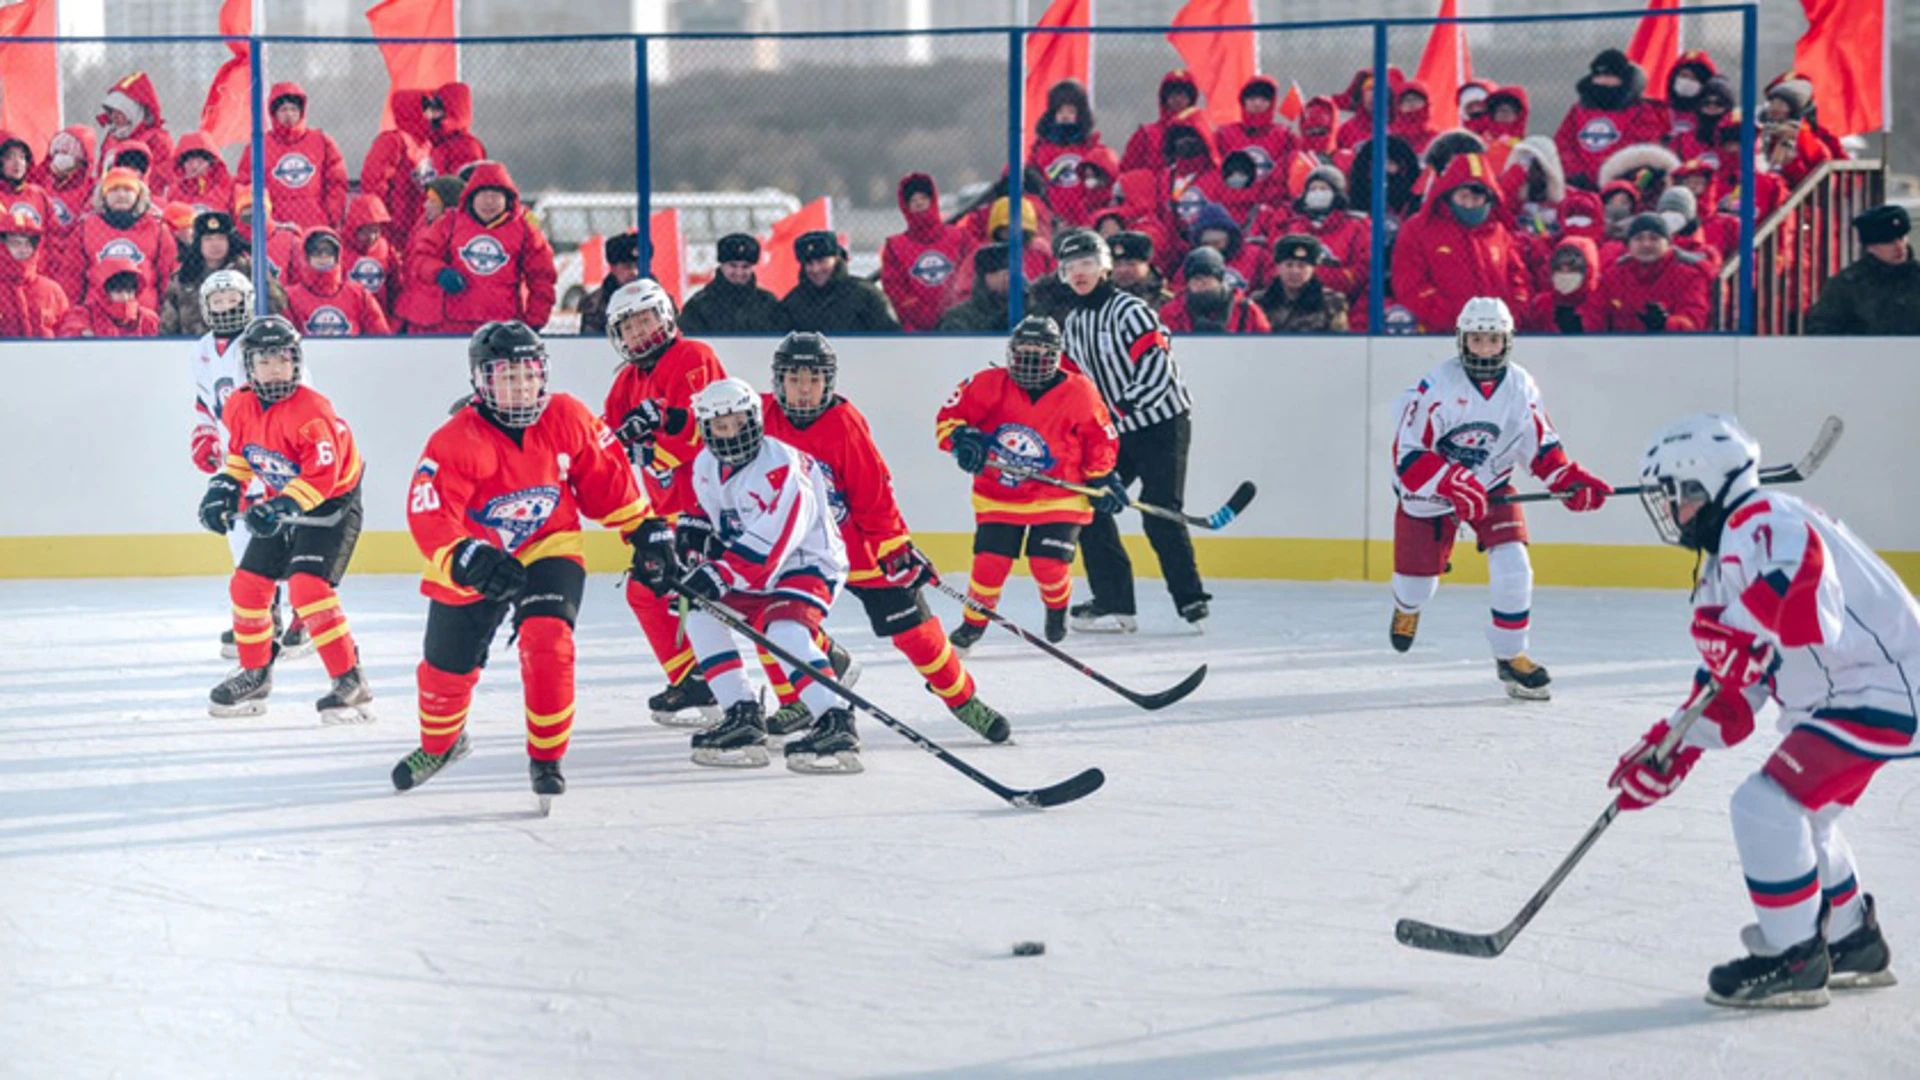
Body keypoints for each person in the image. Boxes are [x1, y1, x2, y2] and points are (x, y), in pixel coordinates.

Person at [1609, 413, 1910, 1008]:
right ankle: (1853, 940)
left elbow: (1800, 592)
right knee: (1809, 817)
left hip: (1878, 689)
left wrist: (1755, 633)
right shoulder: (1728, 554)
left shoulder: (1763, 519)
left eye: (1674, 496)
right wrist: (1672, 748)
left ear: (1704, 487)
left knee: (1764, 807)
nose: (1670, 512)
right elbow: (1734, 689)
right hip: (1845, 696)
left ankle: (1795, 958)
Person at [395, 321, 668, 802]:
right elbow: (429, 510)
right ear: (481, 381)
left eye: (528, 374)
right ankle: (440, 745)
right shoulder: (456, 438)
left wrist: (644, 528)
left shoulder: (567, 416)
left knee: (549, 641)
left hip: (549, 543)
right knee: (445, 673)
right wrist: (465, 555)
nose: (521, 387)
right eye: (506, 376)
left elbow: (608, 481)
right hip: (474, 554)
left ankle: (546, 757)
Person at [764, 331, 1013, 741]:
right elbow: (713, 429)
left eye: (814, 379)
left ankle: (963, 699)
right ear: (779, 382)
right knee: (770, 617)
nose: (805, 389)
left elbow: (874, 496)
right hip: (798, 553)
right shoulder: (760, 416)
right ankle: (798, 698)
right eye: (795, 379)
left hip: (858, 550)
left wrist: (894, 549)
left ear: (829, 381)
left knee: (916, 634)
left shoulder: (844, 424)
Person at [1388, 297, 1610, 699]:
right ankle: (1406, 608)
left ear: (1507, 340)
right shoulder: (1435, 387)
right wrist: (1449, 481)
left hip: (1492, 486)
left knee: (1515, 567)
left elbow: (1540, 446)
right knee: (1417, 587)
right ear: (1461, 340)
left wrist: (1567, 479)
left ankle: (1512, 657)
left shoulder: (1521, 385)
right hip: (1431, 495)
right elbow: (1408, 456)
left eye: (1493, 339)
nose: (1485, 349)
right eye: (1477, 339)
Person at [639, 378, 857, 774]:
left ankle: (835, 718)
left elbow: (773, 544)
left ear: (755, 419)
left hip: (806, 563)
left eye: (739, 423)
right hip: (751, 567)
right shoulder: (705, 464)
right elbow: (705, 515)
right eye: (720, 427)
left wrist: (715, 575)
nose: (731, 434)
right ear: (706, 430)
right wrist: (689, 548)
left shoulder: (783, 467)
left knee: (784, 633)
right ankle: (741, 713)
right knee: (699, 611)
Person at [196, 316, 371, 724]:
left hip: (332, 508)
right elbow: (243, 457)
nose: (276, 368)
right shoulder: (239, 404)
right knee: (248, 583)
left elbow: (322, 479)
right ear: (249, 366)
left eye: (284, 359)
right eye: (265, 360)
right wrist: (222, 488)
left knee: (308, 589)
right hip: (284, 500)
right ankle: (255, 674)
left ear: (296, 362)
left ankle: (350, 680)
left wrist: (277, 509)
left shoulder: (313, 411)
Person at [1052, 229, 1208, 632]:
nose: (1079, 273)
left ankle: (1191, 601)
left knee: (1160, 513)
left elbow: (1158, 370)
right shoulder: (1073, 323)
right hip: (1116, 431)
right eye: (1071, 267)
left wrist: (1115, 414)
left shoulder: (1131, 311)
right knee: (1089, 504)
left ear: (1103, 266)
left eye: (1087, 263)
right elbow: (1073, 386)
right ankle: (1114, 599)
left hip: (1161, 423)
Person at [936, 314, 1119, 653]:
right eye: (1024, 350)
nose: (1031, 359)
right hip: (999, 495)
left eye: (1040, 350)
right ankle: (973, 623)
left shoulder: (1079, 390)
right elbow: (948, 419)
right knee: (990, 565)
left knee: (1047, 566)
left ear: (1056, 356)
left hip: (1059, 495)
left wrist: (1102, 476)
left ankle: (1056, 606)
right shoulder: (986, 384)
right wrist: (962, 440)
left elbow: (1101, 439)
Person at [598, 278, 730, 725]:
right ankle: (695, 680)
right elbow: (602, 439)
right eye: (628, 326)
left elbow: (709, 432)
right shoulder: (627, 382)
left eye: (644, 320)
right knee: (649, 589)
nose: (638, 332)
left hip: (716, 506)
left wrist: (648, 449)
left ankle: (819, 662)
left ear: (666, 316)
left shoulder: (693, 358)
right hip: (670, 510)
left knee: (742, 598)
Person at [189, 270, 309, 660]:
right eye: (217, 301)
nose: (224, 307)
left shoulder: (266, 340)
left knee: (287, 535)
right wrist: (205, 433)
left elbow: (300, 392)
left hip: (273, 455)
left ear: (247, 300)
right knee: (240, 537)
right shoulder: (203, 348)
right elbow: (206, 400)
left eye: (231, 299)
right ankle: (262, 614)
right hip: (237, 457)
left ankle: (304, 612)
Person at [406, 161, 556, 333]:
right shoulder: (450, 222)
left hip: (503, 326)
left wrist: (535, 320)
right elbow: (421, 256)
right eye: (483, 195)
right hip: (455, 324)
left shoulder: (525, 230)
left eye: (495, 196)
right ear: (471, 196)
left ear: (507, 199)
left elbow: (542, 277)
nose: (489, 202)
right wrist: (439, 272)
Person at [1391, 152, 1532, 333]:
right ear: (1449, 194)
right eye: (1463, 196)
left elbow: (1518, 278)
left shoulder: (1498, 233)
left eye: (1476, 198)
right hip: (1438, 335)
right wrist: (1458, 319)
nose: (1469, 204)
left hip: (1497, 335)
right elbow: (1410, 284)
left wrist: (1513, 314)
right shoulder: (1418, 229)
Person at [236, 83, 348, 232]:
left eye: (293, 109)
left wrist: (331, 216)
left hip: (316, 223)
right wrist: (264, 223)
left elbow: (336, 182)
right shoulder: (259, 146)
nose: (289, 114)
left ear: (302, 112)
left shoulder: (321, 141)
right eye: (283, 110)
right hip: (275, 227)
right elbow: (246, 184)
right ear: (273, 113)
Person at [1554, 49, 1670, 190]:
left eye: (1609, 75)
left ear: (1622, 78)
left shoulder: (1641, 110)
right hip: (1579, 184)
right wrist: (1575, 173)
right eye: (1598, 75)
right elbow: (1563, 144)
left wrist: (1614, 174)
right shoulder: (1578, 110)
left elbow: (1642, 148)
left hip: (1624, 186)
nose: (1603, 81)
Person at [161, 211, 287, 337]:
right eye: (208, 239)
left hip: (244, 342)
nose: (215, 244)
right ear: (198, 243)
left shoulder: (249, 270)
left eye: (221, 238)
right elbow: (168, 325)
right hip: (195, 345)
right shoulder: (184, 276)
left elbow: (277, 304)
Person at [1257, 165, 1370, 305]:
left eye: (1323, 189)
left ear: (1337, 194)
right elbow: (1274, 266)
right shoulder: (1293, 226)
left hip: (1338, 301)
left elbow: (1361, 271)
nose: (1317, 193)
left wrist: (1313, 277)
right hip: (1293, 302)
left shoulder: (1356, 227)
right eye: (1313, 189)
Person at [65, 167, 172, 312]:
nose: (121, 195)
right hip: (97, 315)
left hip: (143, 316)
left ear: (138, 195)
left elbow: (168, 275)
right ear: (103, 195)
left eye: (128, 190)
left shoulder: (157, 228)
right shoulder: (86, 227)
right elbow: (71, 278)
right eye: (114, 190)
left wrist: (167, 314)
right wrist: (76, 315)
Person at [1584, 214, 1712, 333]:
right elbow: (1595, 322)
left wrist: (1666, 324)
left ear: (1668, 243)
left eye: (1654, 238)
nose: (1646, 244)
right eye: (1639, 239)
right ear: (1628, 245)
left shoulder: (1690, 277)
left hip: (1672, 351)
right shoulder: (1612, 278)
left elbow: (1695, 323)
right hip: (1622, 352)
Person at [1806, 205, 1920, 335]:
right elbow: (1822, 330)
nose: (1899, 247)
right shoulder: (1846, 286)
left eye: (1902, 238)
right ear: (1870, 247)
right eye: (1888, 242)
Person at [881, 172, 973, 333]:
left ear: (933, 200)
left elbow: (973, 271)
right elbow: (895, 288)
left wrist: (957, 308)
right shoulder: (895, 246)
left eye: (923, 198)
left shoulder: (960, 237)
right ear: (905, 207)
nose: (919, 203)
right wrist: (923, 316)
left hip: (961, 322)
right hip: (916, 329)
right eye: (913, 200)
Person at [779, 229, 899, 333]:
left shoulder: (867, 296)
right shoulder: (792, 303)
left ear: (836, 259)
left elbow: (890, 338)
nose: (816, 269)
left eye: (822, 261)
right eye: (809, 263)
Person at [359, 88, 433, 249]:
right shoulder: (393, 141)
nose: (431, 116)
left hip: (419, 224)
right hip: (396, 226)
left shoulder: (425, 145)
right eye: (425, 110)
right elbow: (373, 183)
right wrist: (383, 222)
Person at [286, 227, 390, 337]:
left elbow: (381, 334)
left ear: (338, 256)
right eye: (316, 252)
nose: (323, 256)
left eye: (329, 251)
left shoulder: (358, 294)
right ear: (305, 256)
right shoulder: (291, 298)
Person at [679, 233, 785, 333]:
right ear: (722, 265)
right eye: (733, 265)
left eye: (745, 267)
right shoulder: (699, 305)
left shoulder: (768, 303)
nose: (739, 272)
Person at [96, 73, 174, 198]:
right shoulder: (111, 137)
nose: (114, 116)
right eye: (112, 111)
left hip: (148, 200)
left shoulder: (157, 139)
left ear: (134, 112)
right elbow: (101, 172)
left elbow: (164, 178)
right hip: (111, 198)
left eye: (120, 111)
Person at [1161, 247, 1269, 334]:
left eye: (1207, 277)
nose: (1201, 284)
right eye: (1196, 279)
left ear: (1219, 279)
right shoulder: (1173, 312)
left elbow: (1264, 345)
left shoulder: (1247, 310)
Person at [1258, 234, 1351, 334]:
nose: (1295, 271)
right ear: (1278, 267)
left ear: (1313, 269)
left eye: (1302, 266)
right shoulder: (1259, 301)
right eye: (1289, 265)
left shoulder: (1331, 304)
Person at [1217, 75, 1297, 189]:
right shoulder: (1225, 134)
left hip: (1272, 198)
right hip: (1234, 196)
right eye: (1252, 99)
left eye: (1264, 99)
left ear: (1272, 103)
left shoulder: (1284, 135)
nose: (1257, 104)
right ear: (1243, 101)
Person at [0, 208, 68, 337]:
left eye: (28, 243)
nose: (23, 249)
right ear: (2, 245)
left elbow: (65, 334)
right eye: (16, 243)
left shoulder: (52, 290)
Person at [1120, 70, 1202, 174]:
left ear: (1191, 100)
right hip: (1153, 189)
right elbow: (1126, 172)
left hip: (1191, 188)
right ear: (1164, 99)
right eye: (1172, 95)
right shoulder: (1146, 135)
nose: (1178, 100)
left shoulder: (1201, 135)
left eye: (1184, 95)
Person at [57, 259, 157, 337]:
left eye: (130, 292)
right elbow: (71, 331)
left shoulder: (148, 319)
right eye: (118, 291)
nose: (125, 297)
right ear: (103, 292)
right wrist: (85, 335)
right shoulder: (85, 314)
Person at [1525, 235, 1599, 335]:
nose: (1565, 276)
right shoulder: (1541, 305)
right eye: (1558, 268)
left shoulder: (1599, 304)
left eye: (1573, 269)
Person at [341, 195, 400, 319]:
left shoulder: (384, 247)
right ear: (354, 228)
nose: (372, 237)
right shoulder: (341, 250)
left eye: (376, 230)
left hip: (380, 313)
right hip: (350, 313)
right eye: (366, 231)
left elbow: (395, 284)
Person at [934, 243, 1013, 333]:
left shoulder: (1024, 308)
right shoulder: (958, 318)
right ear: (988, 277)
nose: (1014, 279)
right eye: (1006, 274)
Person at [576, 230, 640, 336]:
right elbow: (589, 344)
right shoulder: (595, 305)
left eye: (638, 266)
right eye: (627, 267)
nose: (634, 272)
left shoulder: (660, 298)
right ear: (613, 269)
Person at [33, 126, 95, 235]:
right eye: (57, 152)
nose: (60, 157)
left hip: (72, 244)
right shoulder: (43, 181)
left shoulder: (90, 188)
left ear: (82, 158)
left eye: (66, 153)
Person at [170, 134, 233, 219]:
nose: (195, 166)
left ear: (211, 163)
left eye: (200, 161)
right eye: (189, 162)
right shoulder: (173, 192)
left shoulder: (228, 187)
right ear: (181, 165)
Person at [1108, 231, 1172, 308]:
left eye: (1131, 264)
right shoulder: (1100, 300)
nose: (1123, 270)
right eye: (1116, 264)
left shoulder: (1166, 303)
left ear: (1147, 264)